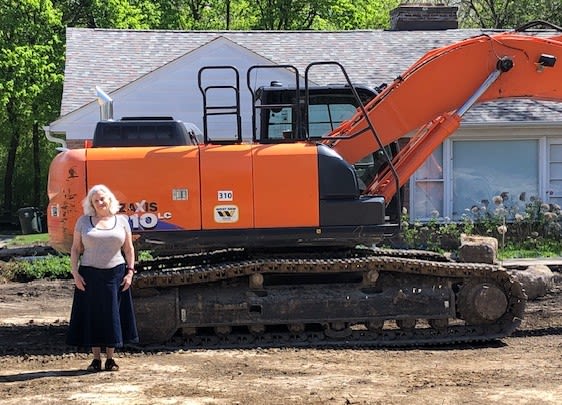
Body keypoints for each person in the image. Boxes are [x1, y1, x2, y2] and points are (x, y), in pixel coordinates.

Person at [66, 184, 139, 372]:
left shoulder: (122, 221)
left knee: (112, 315)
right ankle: (96, 359)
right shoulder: (83, 221)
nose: (99, 202)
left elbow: (129, 249)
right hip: (89, 274)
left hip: (115, 274)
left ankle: (110, 359)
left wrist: (130, 272)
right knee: (93, 315)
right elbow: (75, 249)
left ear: (109, 200)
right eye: (95, 200)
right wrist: (75, 273)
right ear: (91, 203)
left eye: (102, 199)